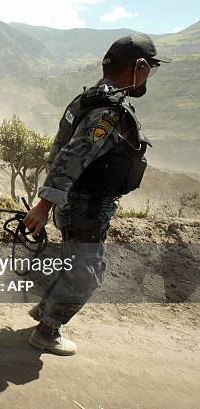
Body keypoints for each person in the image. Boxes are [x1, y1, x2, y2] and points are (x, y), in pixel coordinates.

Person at [23, 34, 168, 355]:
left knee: (78, 264)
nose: (148, 76)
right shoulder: (108, 110)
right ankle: (48, 330)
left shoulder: (88, 98)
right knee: (89, 273)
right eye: (149, 68)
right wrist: (44, 205)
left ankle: (45, 311)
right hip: (84, 207)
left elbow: (60, 148)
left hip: (78, 204)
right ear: (137, 66)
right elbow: (72, 155)